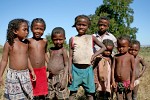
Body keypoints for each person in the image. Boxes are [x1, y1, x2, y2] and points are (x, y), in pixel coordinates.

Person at [68, 15, 106, 100]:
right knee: (72, 93)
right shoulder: (72, 39)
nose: (81, 27)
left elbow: (103, 47)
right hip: (75, 70)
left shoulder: (91, 38)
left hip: (88, 70)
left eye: (84, 25)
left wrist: (94, 55)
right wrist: (69, 72)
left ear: (88, 26)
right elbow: (70, 57)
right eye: (79, 24)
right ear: (75, 25)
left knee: (90, 94)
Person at [0, 18, 36, 100]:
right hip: (13, 76)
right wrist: (0, 75)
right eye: (24, 30)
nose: (27, 32)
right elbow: (4, 60)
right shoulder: (9, 44)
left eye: (27, 30)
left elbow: (27, 58)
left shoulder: (25, 44)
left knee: (26, 96)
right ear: (15, 31)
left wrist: (32, 71)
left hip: (25, 74)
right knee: (14, 97)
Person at [46, 27, 69, 100]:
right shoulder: (51, 50)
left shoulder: (63, 50)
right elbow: (48, 60)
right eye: (55, 40)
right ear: (52, 39)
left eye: (60, 39)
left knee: (61, 96)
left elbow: (66, 65)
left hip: (60, 76)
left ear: (64, 38)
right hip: (51, 77)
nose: (58, 42)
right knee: (50, 96)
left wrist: (64, 79)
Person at [28, 18, 49, 99]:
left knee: (42, 93)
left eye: (41, 29)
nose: (38, 31)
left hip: (42, 70)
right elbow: (26, 56)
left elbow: (45, 53)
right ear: (32, 29)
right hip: (31, 71)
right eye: (36, 28)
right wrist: (31, 70)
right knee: (32, 92)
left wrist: (49, 64)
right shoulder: (28, 41)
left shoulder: (44, 41)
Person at [111, 35, 135, 100]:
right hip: (118, 82)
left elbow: (133, 71)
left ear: (129, 46)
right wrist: (113, 81)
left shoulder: (130, 57)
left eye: (123, 46)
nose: (121, 48)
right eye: (119, 46)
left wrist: (132, 83)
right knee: (119, 97)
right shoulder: (115, 57)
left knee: (128, 97)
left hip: (127, 82)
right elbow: (112, 69)